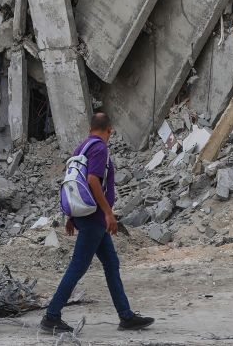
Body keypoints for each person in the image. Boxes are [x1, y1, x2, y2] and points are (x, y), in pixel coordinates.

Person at [41, 113, 154, 333]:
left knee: (111, 264)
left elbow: (73, 183)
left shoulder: (81, 147)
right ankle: (51, 316)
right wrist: (108, 213)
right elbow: (92, 180)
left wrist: (72, 216)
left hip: (87, 217)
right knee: (78, 266)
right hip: (95, 219)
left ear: (91, 127)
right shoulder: (100, 148)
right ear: (109, 130)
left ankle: (126, 316)